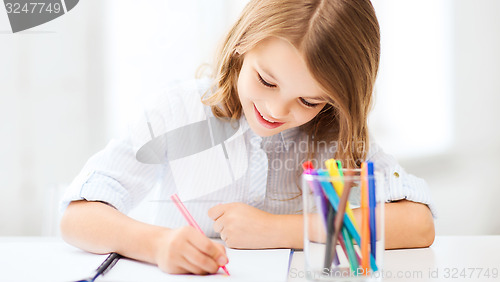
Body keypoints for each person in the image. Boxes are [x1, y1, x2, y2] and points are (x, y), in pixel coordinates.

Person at [60, 0, 435, 275]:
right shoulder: (177, 110)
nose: (275, 110)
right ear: (242, 44)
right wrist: (157, 244)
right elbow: (77, 218)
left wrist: (274, 230)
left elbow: (418, 223)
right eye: (266, 80)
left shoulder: (335, 131)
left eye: (308, 100)